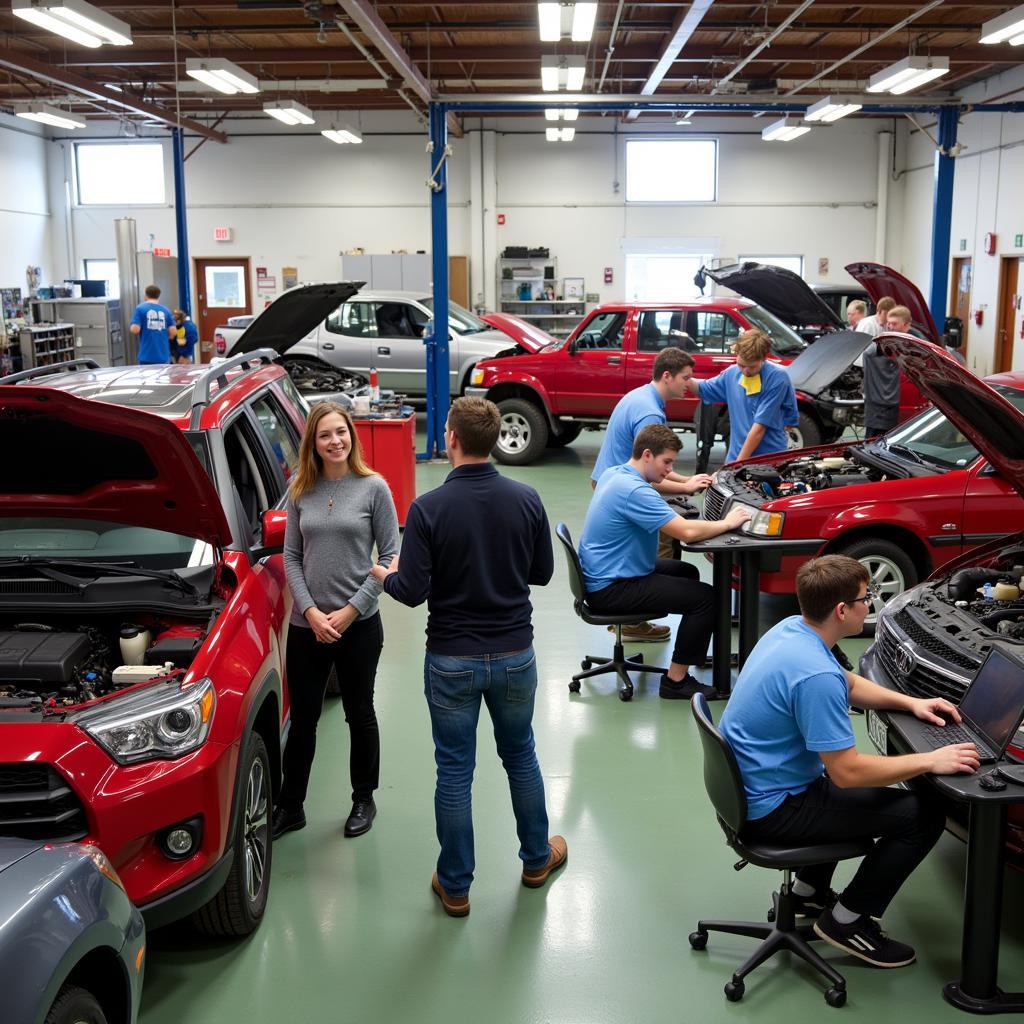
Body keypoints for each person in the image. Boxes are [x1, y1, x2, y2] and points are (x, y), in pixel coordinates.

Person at [719, 554, 979, 968]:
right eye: (866, 598)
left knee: (841, 794)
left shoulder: (793, 630)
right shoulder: (813, 676)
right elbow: (849, 773)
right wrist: (931, 760)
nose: (870, 605)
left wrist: (913, 702)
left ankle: (807, 895)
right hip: (775, 808)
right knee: (922, 815)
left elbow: (847, 682)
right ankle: (848, 921)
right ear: (842, 610)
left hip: (754, 788)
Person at [372, 397, 563, 917]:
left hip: (452, 659)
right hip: (514, 656)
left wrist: (383, 575)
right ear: (495, 439)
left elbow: (411, 591)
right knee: (520, 754)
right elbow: (542, 573)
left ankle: (455, 885)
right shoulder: (526, 499)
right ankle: (536, 858)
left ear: (451, 438)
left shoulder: (428, 509)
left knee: (454, 770)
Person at [273, 402, 399, 841]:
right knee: (303, 719)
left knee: (359, 713)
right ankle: (291, 806)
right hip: (308, 626)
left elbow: (389, 557)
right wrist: (309, 610)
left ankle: (363, 799)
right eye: (325, 435)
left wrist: (349, 612)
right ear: (313, 443)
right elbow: (291, 556)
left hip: (358, 625)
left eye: (340, 433)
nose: (335, 442)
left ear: (352, 436)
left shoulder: (373, 488)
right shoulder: (300, 489)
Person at [579, 424, 751, 700]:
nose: (670, 470)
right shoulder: (635, 491)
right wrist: (729, 522)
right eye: (667, 462)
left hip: (606, 572)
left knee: (687, 572)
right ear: (647, 455)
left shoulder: (616, 473)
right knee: (706, 598)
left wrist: (684, 491)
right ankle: (675, 681)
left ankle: (691, 650)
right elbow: (687, 532)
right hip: (611, 588)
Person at [591, 347, 714, 642]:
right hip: (627, 494)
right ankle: (636, 622)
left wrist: (684, 480)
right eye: (685, 378)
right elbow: (653, 467)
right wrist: (686, 487)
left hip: (609, 483)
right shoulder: (650, 412)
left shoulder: (641, 395)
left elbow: (653, 463)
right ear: (667, 376)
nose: (689, 384)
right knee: (664, 542)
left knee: (680, 568)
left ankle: (639, 618)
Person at [683, 329, 798, 463]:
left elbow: (759, 428)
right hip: (737, 455)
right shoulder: (731, 374)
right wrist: (682, 376)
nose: (745, 372)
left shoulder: (777, 378)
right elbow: (703, 388)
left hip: (769, 458)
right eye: (741, 365)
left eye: (752, 367)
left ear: (763, 358)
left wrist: (737, 465)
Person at [862, 303, 915, 436]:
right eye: (888, 323)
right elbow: (869, 352)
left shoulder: (913, 346)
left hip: (903, 408)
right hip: (877, 409)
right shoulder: (879, 345)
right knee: (872, 445)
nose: (890, 327)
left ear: (906, 325)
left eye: (894, 324)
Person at [130, 284, 176, 365]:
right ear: (159, 296)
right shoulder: (166, 310)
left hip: (147, 355)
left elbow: (135, 330)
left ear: (146, 295)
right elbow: (173, 332)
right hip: (163, 355)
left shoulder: (140, 309)